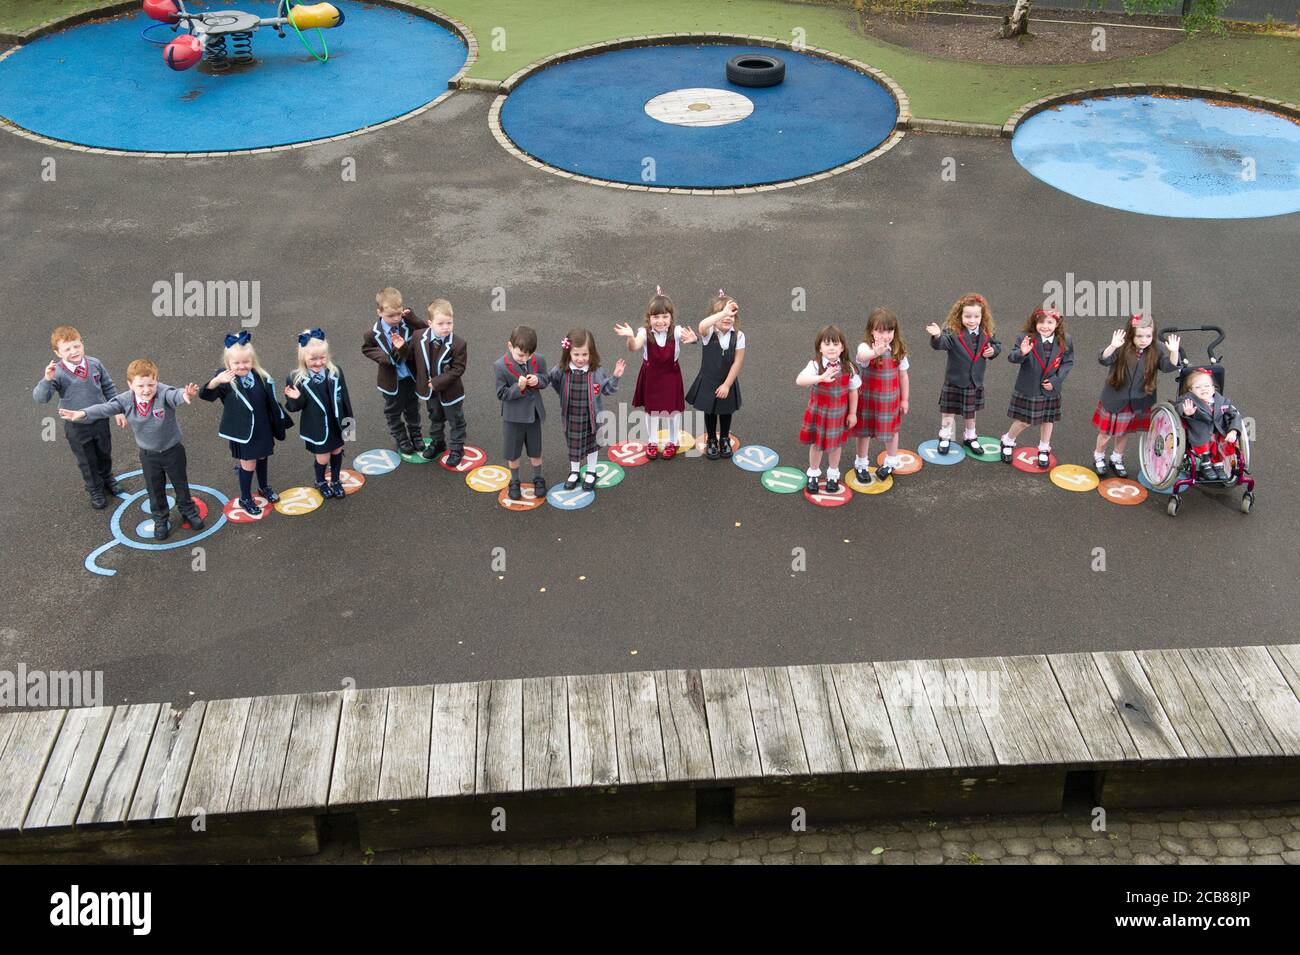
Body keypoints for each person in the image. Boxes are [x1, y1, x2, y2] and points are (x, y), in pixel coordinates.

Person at [59, 360, 202, 540]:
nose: (146, 389)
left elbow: (176, 395)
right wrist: (82, 413)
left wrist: (186, 395)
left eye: (151, 384)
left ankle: (187, 510)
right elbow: (105, 408)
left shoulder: (163, 392)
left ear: (157, 381)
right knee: (154, 489)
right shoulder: (125, 400)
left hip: (172, 451)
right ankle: (160, 519)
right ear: (130, 385)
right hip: (148, 455)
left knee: (180, 484)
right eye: (140, 385)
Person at [199, 331, 293, 515]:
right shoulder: (225, 379)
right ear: (228, 364)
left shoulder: (260, 375)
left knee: (263, 457)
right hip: (243, 431)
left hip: (262, 427)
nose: (242, 366)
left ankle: (264, 487)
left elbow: (269, 400)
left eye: (246, 362)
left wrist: (280, 418)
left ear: (252, 361)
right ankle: (245, 497)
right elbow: (205, 395)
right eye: (237, 363)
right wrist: (216, 381)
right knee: (248, 464)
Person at [33, 326, 126, 508]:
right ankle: (95, 488)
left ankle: (107, 478)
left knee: (104, 452)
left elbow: (108, 387)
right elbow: (41, 398)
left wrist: (118, 410)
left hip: (100, 419)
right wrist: (46, 379)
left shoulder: (94, 364)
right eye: (67, 349)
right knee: (87, 460)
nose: (73, 352)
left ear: (82, 344)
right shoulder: (57, 373)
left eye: (76, 346)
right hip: (76, 426)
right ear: (58, 353)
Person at [1092, 314, 1180, 478]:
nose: (1144, 340)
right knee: (1105, 433)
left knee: (1125, 431)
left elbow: (1168, 367)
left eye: (1148, 336)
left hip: (1139, 400)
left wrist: (1174, 352)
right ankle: (1099, 456)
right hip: (1116, 398)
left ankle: (1117, 458)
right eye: (1139, 336)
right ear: (1131, 334)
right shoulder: (1122, 346)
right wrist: (1112, 346)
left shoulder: (1158, 349)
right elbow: (1104, 359)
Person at [615, 286, 697, 459]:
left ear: (671, 317)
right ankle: (652, 441)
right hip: (651, 376)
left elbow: (691, 337)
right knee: (651, 411)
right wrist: (630, 337)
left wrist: (693, 339)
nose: (660, 321)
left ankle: (673, 441)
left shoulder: (676, 331)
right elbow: (634, 347)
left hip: (671, 375)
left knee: (672, 411)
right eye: (656, 317)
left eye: (665, 316)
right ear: (649, 318)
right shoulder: (644, 333)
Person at [547, 329, 625, 493]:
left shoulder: (596, 372)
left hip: (591, 417)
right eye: (576, 355)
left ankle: (591, 471)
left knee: (592, 445)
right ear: (568, 353)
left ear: (591, 353)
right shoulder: (561, 370)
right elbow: (552, 382)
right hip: (571, 417)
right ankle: (574, 472)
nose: (580, 359)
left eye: (584, 354)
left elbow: (607, 390)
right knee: (573, 445)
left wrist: (615, 376)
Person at [925, 293, 1001, 455]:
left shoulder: (987, 332)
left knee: (970, 411)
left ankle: (970, 436)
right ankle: (945, 436)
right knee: (949, 411)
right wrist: (937, 335)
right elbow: (941, 343)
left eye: (976, 316)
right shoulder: (952, 332)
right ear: (960, 315)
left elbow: (997, 345)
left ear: (982, 316)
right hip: (955, 380)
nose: (972, 320)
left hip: (974, 381)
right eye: (967, 316)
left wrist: (993, 351)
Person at [283, 328, 354, 499]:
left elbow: (345, 399)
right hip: (317, 427)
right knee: (322, 457)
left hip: (336, 423)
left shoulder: (335, 371)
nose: (318, 362)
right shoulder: (296, 378)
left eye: (322, 357)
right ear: (303, 358)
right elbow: (294, 408)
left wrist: (349, 428)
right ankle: (320, 481)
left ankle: (335, 480)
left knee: (337, 451)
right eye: (312, 359)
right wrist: (296, 398)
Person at [1000, 307, 1074, 468]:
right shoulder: (1026, 338)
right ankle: (1007, 440)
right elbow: (1012, 357)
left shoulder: (1065, 339)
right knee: (1024, 421)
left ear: (1057, 323)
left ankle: (1044, 447)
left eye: (1050, 322)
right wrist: (1022, 352)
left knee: (1048, 420)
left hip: (1051, 388)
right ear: (1035, 322)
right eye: (1041, 322)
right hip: (1030, 387)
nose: (1045, 326)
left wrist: (1055, 380)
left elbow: (1067, 362)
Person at [362, 287, 426, 455]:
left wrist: (412, 317)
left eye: (399, 314)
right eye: (391, 315)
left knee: (412, 407)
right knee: (393, 410)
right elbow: (367, 349)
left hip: (410, 378)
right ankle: (401, 438)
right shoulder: (372, 334)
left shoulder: (408, 325)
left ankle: (416, 435)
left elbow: (427, 331)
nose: (396, 319)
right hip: (391, 381)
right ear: (379, 312)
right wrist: (387, 357)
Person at [796, 325, 860, 494]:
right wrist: (820, 378)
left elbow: (853, 391)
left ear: (842, 347)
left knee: (835, 445)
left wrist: (853, 413)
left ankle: (833, 475)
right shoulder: (815, 365)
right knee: (817, 444)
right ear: (820, 347)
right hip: (819, 413)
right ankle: (814, 474)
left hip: (838, 414)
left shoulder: (848, 367)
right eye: (827, 344)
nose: (831, 347)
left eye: (835, 343)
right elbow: (800, 380)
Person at [850, 307, 910, 482]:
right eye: (880, 331)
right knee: (863, 432)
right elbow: (862, 356)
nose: (885, 335)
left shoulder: (898, 349)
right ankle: (861, 463)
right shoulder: (866, 347)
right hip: (867, 399)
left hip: (889, 400)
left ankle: (891, 461)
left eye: (889, 330)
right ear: (871, 331)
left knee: (891, 431)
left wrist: (905, 399)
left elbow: (903, 375)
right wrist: (875, 352)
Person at [687, 291, 745, 460]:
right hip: (708, 381)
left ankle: (724, 438)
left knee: (726, 411)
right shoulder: (708, 333)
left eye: (732, 315)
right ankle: (711, 439)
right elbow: (702, 325)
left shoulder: (739, 336)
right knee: (710, 411)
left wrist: (727, 384)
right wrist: (724, 312)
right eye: (723, 315)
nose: (728, 318)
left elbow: (738, 362)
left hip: (727, 380)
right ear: (715, 316)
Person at [494, 325, 549, 500]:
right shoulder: (500, 366)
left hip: (533, 415)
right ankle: (515, 480)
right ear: (510, 346)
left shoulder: (538, 360)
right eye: (520, 355)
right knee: (513, 452)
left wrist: (538, 380)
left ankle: (538, 478)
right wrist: (518, 388)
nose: (524, 359)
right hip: (513, 418)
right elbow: (501, 394)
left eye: (528, 355)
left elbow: (545, 379)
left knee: (535, 450)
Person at [413, 299, 467, 466]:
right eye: (441, 323)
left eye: (449, 323)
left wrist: (437, 382)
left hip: (450, 392)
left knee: (455, 420)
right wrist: (400, 348)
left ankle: (457, 448)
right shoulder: (418, 336)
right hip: (430, 392)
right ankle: (438, 442)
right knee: (435, 416)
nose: (446, 327)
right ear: (430, 324)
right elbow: (410, 357)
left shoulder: (458, 344)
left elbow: (458, 369)